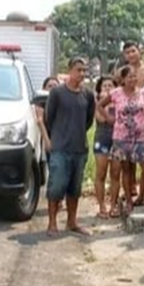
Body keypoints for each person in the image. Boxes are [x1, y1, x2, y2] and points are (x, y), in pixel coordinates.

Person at [44, 58, 96, 237]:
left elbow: (89, 120)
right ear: (69, 70)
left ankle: (72, 222)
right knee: (56, 186)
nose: (81, 74)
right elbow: (48, 118)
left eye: (84, 70)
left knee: (75, 188)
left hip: (79, 148)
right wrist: (58, 136)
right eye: (78, 70)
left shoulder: (88, 95)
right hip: (60, 148)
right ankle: (52, 223)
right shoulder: (57, 93)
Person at [98, 65, 144, 214]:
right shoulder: (116, 93)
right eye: (129, 76)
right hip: (121, 137)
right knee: (126, 170)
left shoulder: (143, 94)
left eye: (134, 76)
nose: (133, 79)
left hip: (140, 138)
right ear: (123, 79)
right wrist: (109, 118)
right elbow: (100, 105)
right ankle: (129, 202)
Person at [93, 76, 117, 218]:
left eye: (110, 85)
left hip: (117, 140)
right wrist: (106, 103)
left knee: (115, 174)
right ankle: (102, 205)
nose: (108, 88)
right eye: (105, 86)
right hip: (101, 139)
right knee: (101, 173)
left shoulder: (120, 101)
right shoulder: (97, 102)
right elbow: (101, 119)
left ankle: (113, 205)